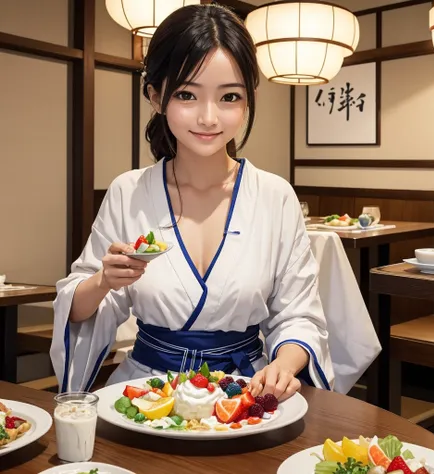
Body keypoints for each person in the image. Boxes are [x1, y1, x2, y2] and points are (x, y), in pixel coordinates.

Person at [50, 4, 379, 400]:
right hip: (145, 393)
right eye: (187, 94)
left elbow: (299, 315)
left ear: (248, 99)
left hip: (242, 393)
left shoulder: (275, 197)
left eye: (229, 97)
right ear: (156, 96)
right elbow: (78, 310)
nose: (208, 117)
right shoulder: (128, 192)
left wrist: (283, 366)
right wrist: (104, 281)